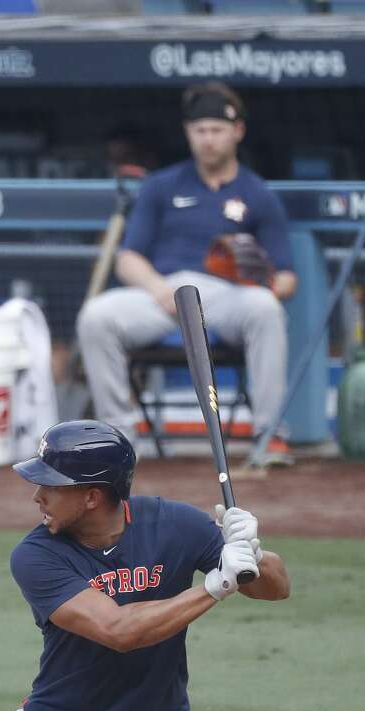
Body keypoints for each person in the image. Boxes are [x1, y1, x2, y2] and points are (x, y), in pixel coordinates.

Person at [0, 419, 290, 711]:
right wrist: (213, 588)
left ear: (91, 497)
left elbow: (276, 589)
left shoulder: (174, 526)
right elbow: (117, 630)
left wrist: (254, 556)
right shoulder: (36, 555)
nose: (37, 496)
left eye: (50, 485)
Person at [76, 82, 297, 464]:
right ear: (188, 133)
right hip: (164, 294)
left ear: (237, 132)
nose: (208, 140)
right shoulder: (161, 185)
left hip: (226, 296)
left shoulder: (257, 193)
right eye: (200, 131)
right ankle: (121, 439)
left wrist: (258, 283)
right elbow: (128, 258)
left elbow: (287, 277)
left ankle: (269, 434)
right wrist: (157, 287)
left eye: (216, 130)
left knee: (265, 308)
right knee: (97, 316)